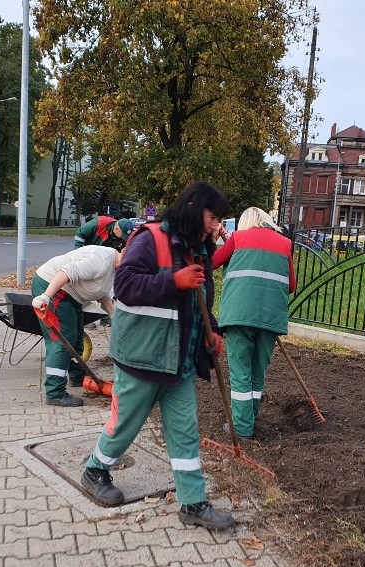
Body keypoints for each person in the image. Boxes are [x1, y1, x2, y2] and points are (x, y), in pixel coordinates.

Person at [80, 181, 235, 531]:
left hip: (178, 361)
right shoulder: (150, 239)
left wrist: (212, 332)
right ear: (194, 208)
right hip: (142, 357)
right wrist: (173, 281)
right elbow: (127, 288)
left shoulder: (198, 250)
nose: (215, 226)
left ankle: (193, 503)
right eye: (212, 217)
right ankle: (94, 470)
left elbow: (197, 301)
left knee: (185, 432)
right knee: (125, 427)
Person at [211, 207, 296, 443]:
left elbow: (212, 262)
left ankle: (242, 429)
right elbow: (291, 285)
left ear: (245, 222)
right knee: (257, 373)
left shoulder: (238, 238)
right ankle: (250, 418)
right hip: (270, 318)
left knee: (240, 374)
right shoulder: (284, 243)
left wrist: (217, 240)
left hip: (239, 315)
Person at [31, 245, 122, 407]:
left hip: (73, 296)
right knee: (63, 340)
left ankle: (77, 376)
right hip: (54, 287)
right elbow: (66, 272)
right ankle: (55, 393)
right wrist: (46, 296)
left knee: (77, 337)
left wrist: (114, 315)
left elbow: (102, 292)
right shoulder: (100, 260)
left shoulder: (115, 267)